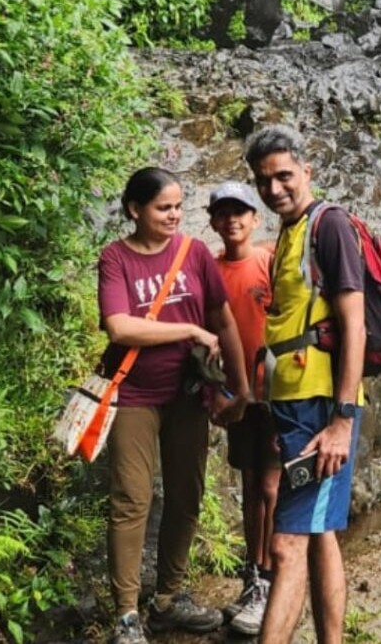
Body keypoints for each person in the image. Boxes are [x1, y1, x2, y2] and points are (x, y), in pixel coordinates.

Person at [98, 167, 250, 644]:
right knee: (131, 499)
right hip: (134, 397)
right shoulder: (116, 258)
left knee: (186, 496)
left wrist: (240, 389)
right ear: (134, 210)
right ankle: (126, 615)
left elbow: (223, 322)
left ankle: (167, 600)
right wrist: (186, 331)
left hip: (188, 396)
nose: (174, 215)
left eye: (179, 207)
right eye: (164, 208)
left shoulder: (194, 253)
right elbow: (120, 327)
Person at [245, 125, 366, 644]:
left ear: (307, 172)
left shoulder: (329, 225)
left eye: (284, 176)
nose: (274, 189)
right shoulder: (290, 233)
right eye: (263, 180)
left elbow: (353, 325)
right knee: (319, 538)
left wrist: (343, 421)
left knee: (286, 546)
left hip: (322, 411)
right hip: (295, 408)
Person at [206, 180, 280, 636]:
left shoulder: (270, 262)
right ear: (213, 221)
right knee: (251, 486)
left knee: (272, 487)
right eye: (223, 214)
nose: (232, 221)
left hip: (274, 392)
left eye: (241, 213)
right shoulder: (210, 272)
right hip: (238, 397)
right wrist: (218, 391)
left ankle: (270, 581)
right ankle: (252, 577)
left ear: (255, 218)